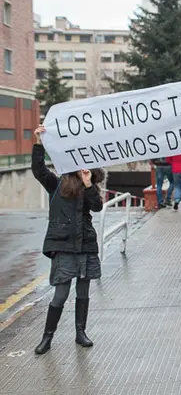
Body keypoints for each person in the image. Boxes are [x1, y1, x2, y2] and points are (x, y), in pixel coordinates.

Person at [31, 125, 105, 355]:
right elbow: (39, 170)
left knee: (83, 292)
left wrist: (88, 183)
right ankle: (47, 337)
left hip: (85, 245)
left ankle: (80, 333)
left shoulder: (88, 183)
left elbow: (98, 206)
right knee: (60, 293)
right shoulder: (56, 184)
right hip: (63, 246)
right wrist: (38, 143)